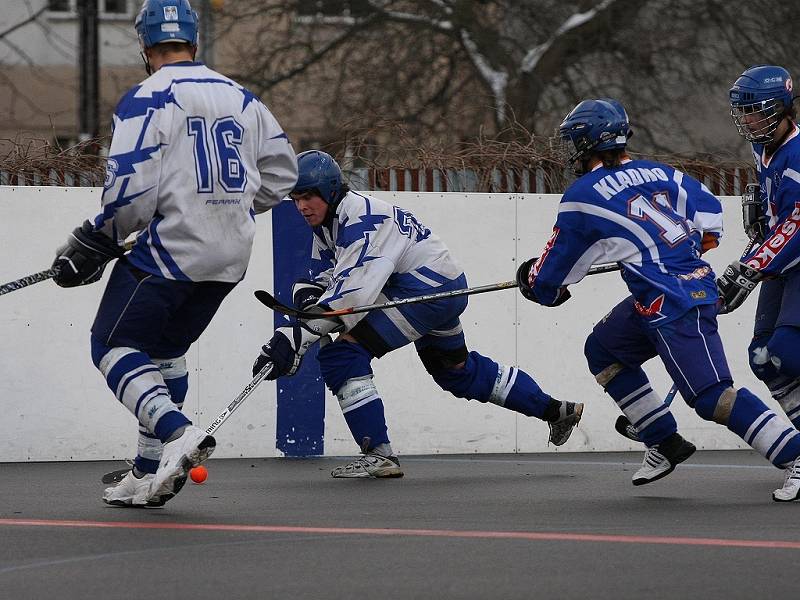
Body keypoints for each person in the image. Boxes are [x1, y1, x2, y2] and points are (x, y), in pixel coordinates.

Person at [51, 0, 297, 506]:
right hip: (229, 257)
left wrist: (100, 237)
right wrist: (229, 211)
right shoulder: (243, 98)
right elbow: (283, 175)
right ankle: (144, 473)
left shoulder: (145, 98)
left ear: (144, 46)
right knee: (163, 354)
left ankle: (177, 433)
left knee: (112, 347)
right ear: (194, 41)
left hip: (173, 250)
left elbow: (130, 191)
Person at [516, 97, 800, 501]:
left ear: (588, 143)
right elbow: (709, 218)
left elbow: (547, 283)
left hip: (675, 300)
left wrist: (529, 278)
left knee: (711, 397)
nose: (568, 153)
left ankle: (794, 454)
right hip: (667, 294)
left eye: (572, 143)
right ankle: (663, 440)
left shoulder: (581, 196)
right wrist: (675, 251)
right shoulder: (658, 171)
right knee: (604, 349)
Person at [252, 150, 583, 478]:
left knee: (341, 354)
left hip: (424, 291)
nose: (301, 206)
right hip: (437, 287)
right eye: (296, 198)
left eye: (308, 196)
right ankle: (554, 410)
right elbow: (323, 278)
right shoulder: (331, 220)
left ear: (330, 191)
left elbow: (352, 297)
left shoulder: (362, 221)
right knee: (454, 371)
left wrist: (297, 335)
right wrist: (305, 318)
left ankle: (378, 455)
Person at [724, 65, 800, 500]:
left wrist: (752, 265)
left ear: (782, 109)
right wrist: (760, 217)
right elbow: (778, 214)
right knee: (762, 358)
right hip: (782, 260)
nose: (748, 120)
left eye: (754, 111)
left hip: (793, 259)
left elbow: (796, 224)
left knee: (787, 350)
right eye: (743, 112)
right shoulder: (764, 147)